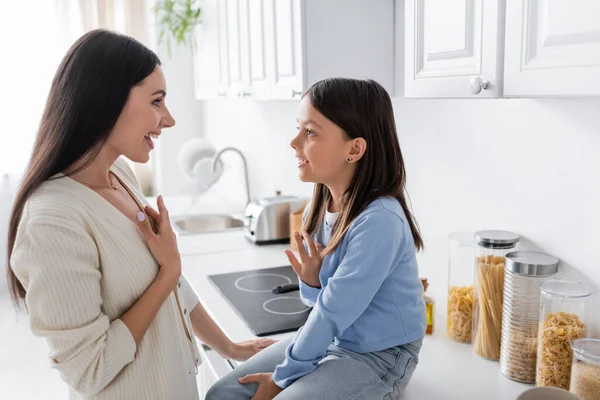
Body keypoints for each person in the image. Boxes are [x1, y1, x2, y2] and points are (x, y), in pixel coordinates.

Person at [6, 29, 274, 400]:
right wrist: (169, 272)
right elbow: (89, 369)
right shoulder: (52, 219)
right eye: (157, 101)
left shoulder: (120, 175)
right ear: (107, 99)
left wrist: (228, 346)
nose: (169, 119)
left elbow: (172, 287)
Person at [206, 77, 427, 400]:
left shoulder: (380, 221)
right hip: (335, 340)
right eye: (299, 128)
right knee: (222, 394)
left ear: (355, 149)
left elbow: (331, 313)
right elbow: (323, 306)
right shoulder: (324, 205)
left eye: (310, 132)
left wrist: (282, 379)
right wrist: (312, 282)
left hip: (381, 357)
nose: (294, 142)